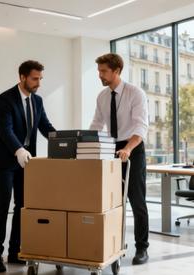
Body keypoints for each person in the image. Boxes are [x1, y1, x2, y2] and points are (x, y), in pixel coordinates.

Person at [0, 60, 56, 272]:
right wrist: (18, 149)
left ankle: (15, 251)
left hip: (28, 161)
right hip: (6, 159)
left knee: (22, 205)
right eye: (35, 79)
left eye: (40, 79)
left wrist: (64, 140)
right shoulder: (5, 99)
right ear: (23, 77)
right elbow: (5, 130)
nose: (38, 83)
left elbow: (45, 126)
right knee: (3, 203)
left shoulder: (37, 101)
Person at [89, 53, 149, 264]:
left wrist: (128, 149)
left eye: (103, 71)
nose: (100, 75)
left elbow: (141, 126)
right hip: (111, 149)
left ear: (116, 71)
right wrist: (85, 146)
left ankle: (142, 248)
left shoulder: (135, 93)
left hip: (133, 147)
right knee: (113, 202)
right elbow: (96, 125)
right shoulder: (102, 96)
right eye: (99, 71)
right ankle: (115, 244)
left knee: (137, 201)